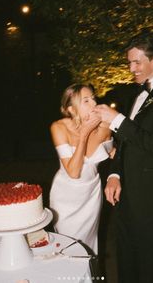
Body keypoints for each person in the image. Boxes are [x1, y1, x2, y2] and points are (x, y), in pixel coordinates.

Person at [95, 32, 153, 282]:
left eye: (137, 62)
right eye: (129, 62)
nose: (131, 68)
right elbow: (125, 143)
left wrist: (116, 120)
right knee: (126, 268)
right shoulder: (134, 94)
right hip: (127, 202)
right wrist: (114, 174)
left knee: (151, 272)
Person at [49, 83, 114, 254]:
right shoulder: (59, 127)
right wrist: (84, 135)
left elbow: (114, 152)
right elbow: (73, 172)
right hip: (66, 196)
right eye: (86, 101)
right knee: (68, 246)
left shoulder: (104, 127)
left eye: (93, 98)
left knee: (89, 245)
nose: (94, 103)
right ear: (71, 109)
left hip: (91, 195)